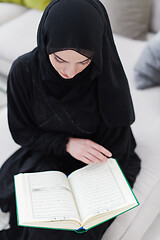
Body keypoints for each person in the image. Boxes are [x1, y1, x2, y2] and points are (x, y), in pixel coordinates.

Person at [0, 0, 141, 239]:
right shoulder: (23, 71)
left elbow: (115, 149)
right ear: (46, 44)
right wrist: (67, 143)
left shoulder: (105, 78)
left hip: (96, 161)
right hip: (46, 152)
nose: (70, 73)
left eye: (83, 62)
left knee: (75, 232)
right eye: (60, 60)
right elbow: (23, 133)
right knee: (38, 227)